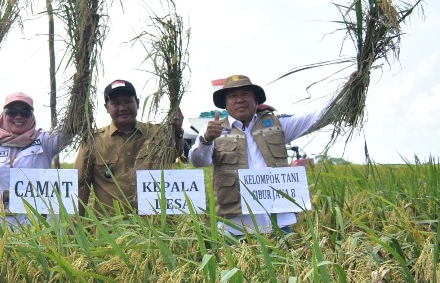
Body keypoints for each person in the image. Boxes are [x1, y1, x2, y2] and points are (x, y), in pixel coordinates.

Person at [189, 72, 356, 235]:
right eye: (233, 96)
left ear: (255, 100)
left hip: (279, 221)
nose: (240, 99)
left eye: (245, 94)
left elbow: (319, 117)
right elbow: (199, 162)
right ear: (225, 103)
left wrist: (349, 91)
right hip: (236, 225)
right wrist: (207, 139)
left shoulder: (277, 124)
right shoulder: (213, 129)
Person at [76, 80, 183, 215]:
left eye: (128, 101)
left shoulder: (158, 134)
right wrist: (75, 228)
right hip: (110, 230)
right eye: (116, 103)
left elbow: (175, 154)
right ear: (107, 107)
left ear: (137, 103)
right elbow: (81, 184)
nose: (123, 108)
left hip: (154, 227)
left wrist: (178, 131)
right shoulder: (93, 140)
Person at [0, 91, 72, 227]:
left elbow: (69, 129)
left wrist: (78, 94)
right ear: (4, 115)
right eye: (12, 112)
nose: (18, 116)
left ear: (32, 116)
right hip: (0, 228)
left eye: (25, 112)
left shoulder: (44, 141)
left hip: (37, 228)